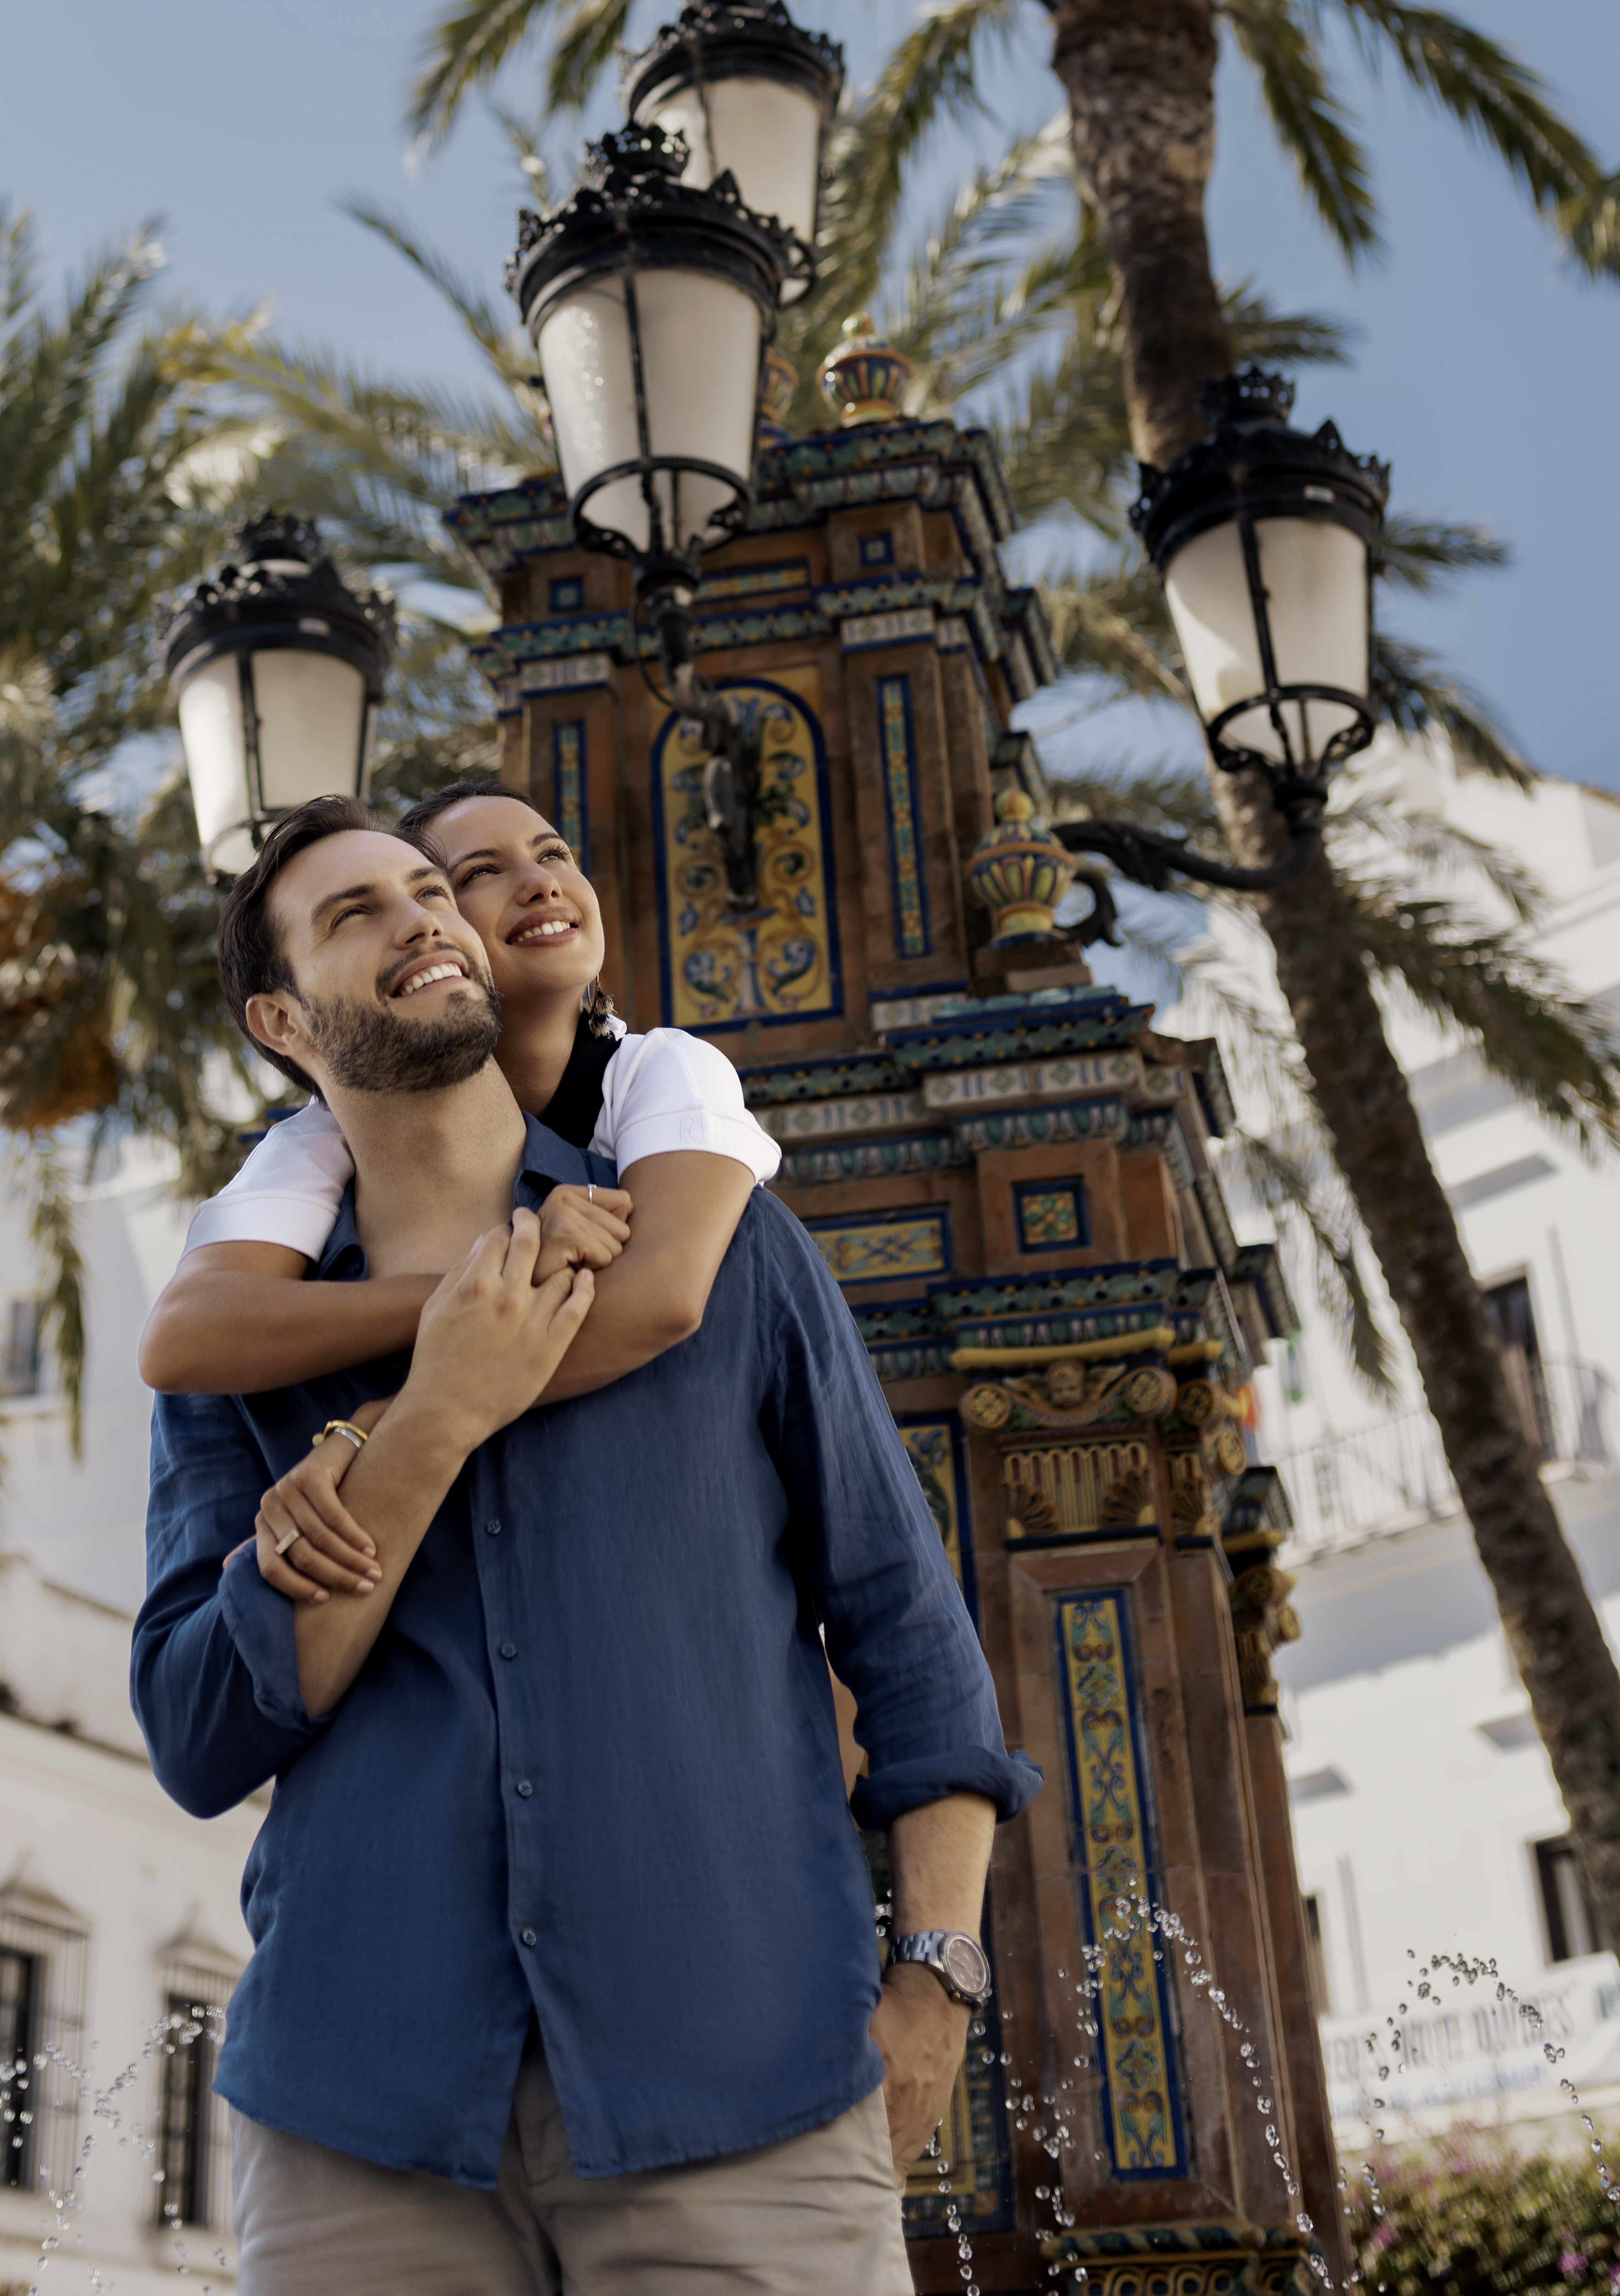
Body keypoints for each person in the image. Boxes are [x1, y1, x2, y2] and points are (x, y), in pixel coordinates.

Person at [130, 795, 1042, 2295]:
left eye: (430, 891)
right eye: (356, 912)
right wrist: (429, 1417)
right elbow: (199, 1734)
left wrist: (935, 1980)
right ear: (283, 1022)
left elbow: (910, 1634)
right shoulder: (243, 1349)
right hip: (356, 2115)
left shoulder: (720, 1240)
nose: (423, 918)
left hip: (750, 2089)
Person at [138, 780, 781, 1598]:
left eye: (555, 853)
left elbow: (664, 1292)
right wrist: (478, 1289)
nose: (541, 882)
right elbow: (181, 1338)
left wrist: (389, 1425)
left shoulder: (661, 1072)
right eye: (478, 872)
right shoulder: (328, 1132)